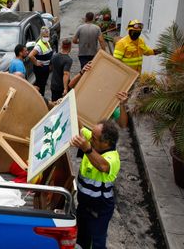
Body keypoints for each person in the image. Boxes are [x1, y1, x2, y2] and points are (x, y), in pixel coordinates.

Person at [70, 120, 120, 249]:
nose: (90, 139)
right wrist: (68, 104)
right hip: (84, 205)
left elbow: (102, 166)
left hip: (98, 210)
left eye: (94, 138)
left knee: (95, 241)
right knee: (81, 238)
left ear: (106, 142)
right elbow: (80, 128)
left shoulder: (113, 158)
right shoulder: (94, 139)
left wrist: (87, 148)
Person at [68, 62, 129, 128]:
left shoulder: (111, 100)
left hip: (92, 132)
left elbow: (123, 125)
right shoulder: (88, 83)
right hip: (73, 124)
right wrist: (82, 73)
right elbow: (70, 85)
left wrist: (122, 104)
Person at [28, 26, 54, 96]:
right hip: (40, 70)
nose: (46, 37)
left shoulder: (47, 43)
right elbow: (30, 55)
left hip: (45, 69)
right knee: (40, 87)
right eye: (44, 36)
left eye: (47, 36)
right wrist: (36, 62)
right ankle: (40, 99)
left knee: (43, 85)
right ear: (41, 36)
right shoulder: (38, 46)